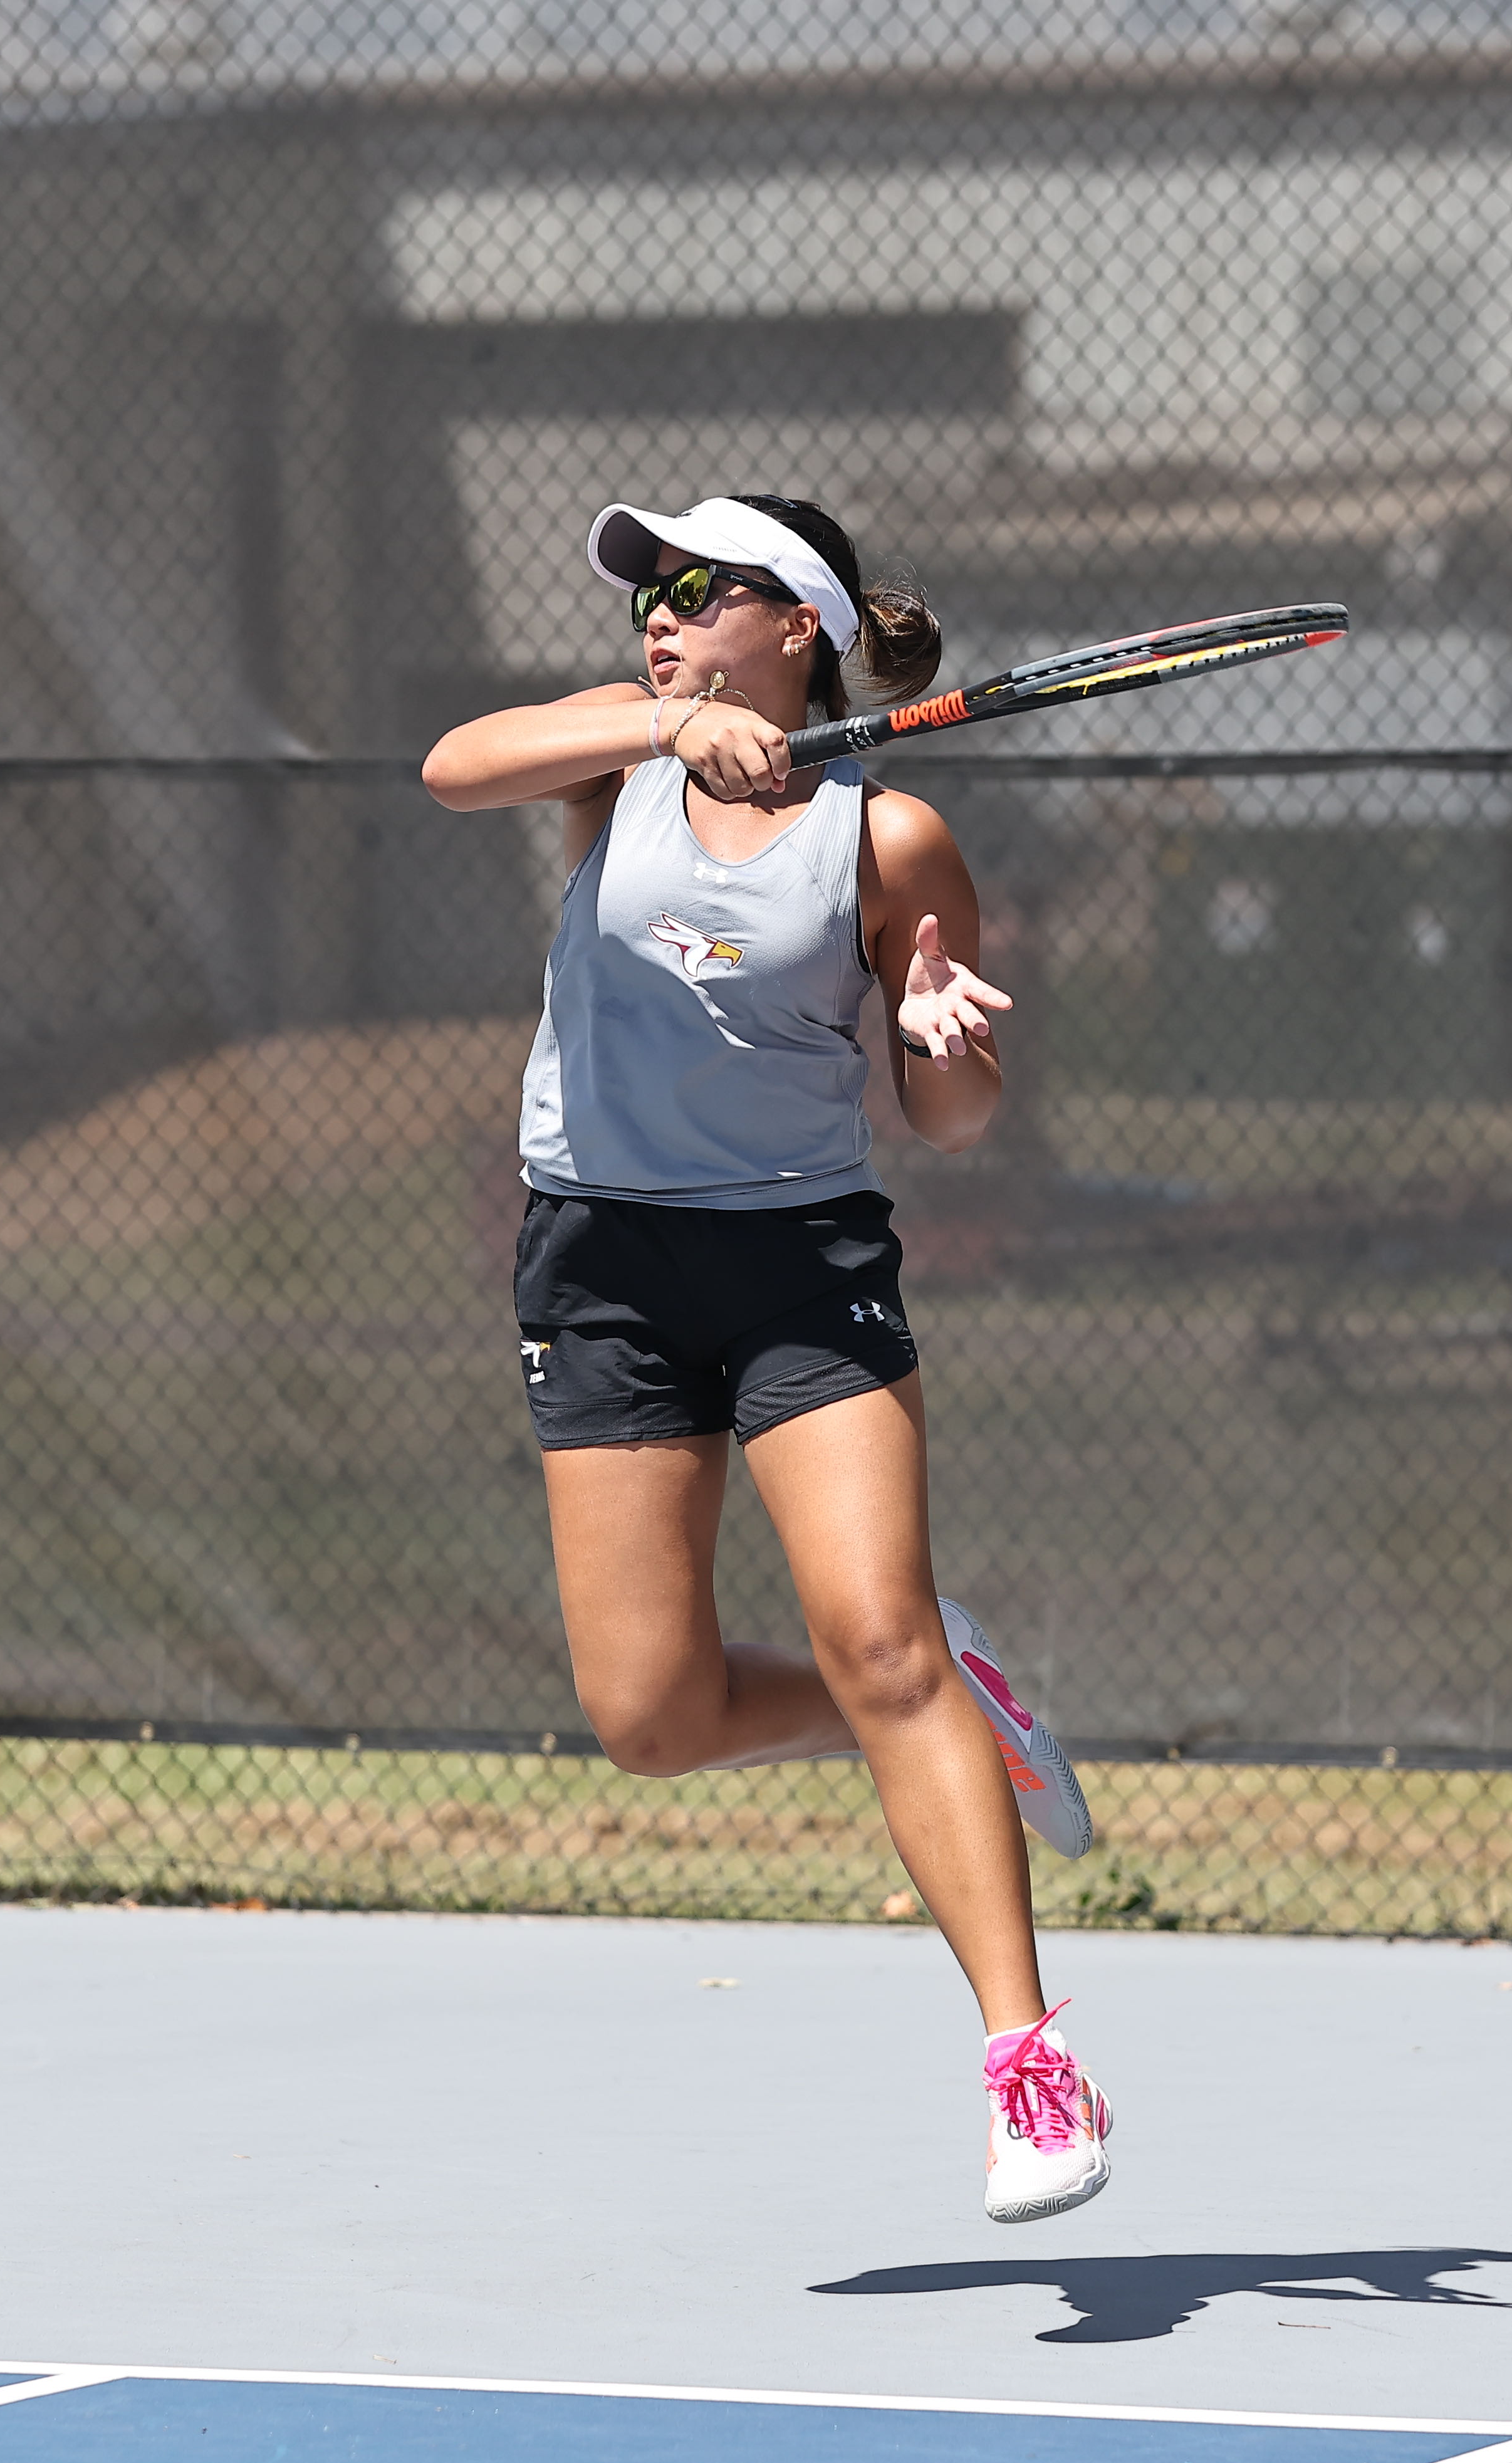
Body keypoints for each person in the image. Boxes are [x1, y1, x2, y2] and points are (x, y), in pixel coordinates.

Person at [422, 494, 1112, 2224]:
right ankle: (963, 1692)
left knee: (873, 1636)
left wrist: (938, 1028)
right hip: (600, 1263)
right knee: (654, 1720)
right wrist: (663, 725)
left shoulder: (889, 845)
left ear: (796, 625)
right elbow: (449, 765)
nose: (658, 615)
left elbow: (948, 1123)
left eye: (699, 593)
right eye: (645, 594)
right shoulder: (610, 768)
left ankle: (1030, 2064)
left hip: (802, 1263)